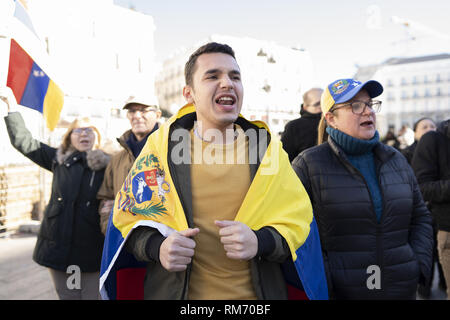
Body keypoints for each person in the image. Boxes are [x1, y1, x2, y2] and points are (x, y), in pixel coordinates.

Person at [99, 42, 328, 300]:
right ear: (189, 94)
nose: (227, 83)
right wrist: (157, 247)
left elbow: (300, 224)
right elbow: (127, 219)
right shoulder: (161, 147)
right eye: (212, 76)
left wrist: (260, 241)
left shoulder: (267, 150)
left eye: (235, 76)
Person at [292, 78, 433, 299]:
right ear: (331, 119)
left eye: (370, 104)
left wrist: (417, 266)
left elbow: (420, 217)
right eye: (355, 105)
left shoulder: (395, 159)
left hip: (401, 288)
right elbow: (299, 234)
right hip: (342, 293)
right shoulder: (308, 164)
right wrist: (327, 281)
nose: (368, 111)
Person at [0, 86, 109, 300]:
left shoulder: (110, 165)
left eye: (89, 130)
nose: (84, 134)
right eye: (78, 130)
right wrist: (12, 107)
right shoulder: (58, 160)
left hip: (92, 252)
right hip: (59, 249)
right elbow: (25, 142)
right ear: (70, 138)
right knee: (67, 297)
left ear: (97, 136)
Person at [96, 96, 161, 234]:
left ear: (158, 114)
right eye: (132, 111)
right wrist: (110, 228)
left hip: (164, 243)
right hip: (123, 240)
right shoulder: (117, 159)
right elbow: (106, 198)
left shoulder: (172, 151)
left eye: (143, 110)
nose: (137, 116)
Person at [412, 119, 450, 299]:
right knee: (427, 258)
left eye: (431, 126)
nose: (428, 130)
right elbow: (421, 187)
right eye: (424, 127)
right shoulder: (434, 141)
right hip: (433, 220)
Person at [281, 88, 323, 162]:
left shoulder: (335, 121)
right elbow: (285, 158)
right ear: (305, 107)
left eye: (324, 102)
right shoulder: (294, 127)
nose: (322, 107)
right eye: (318, 104)